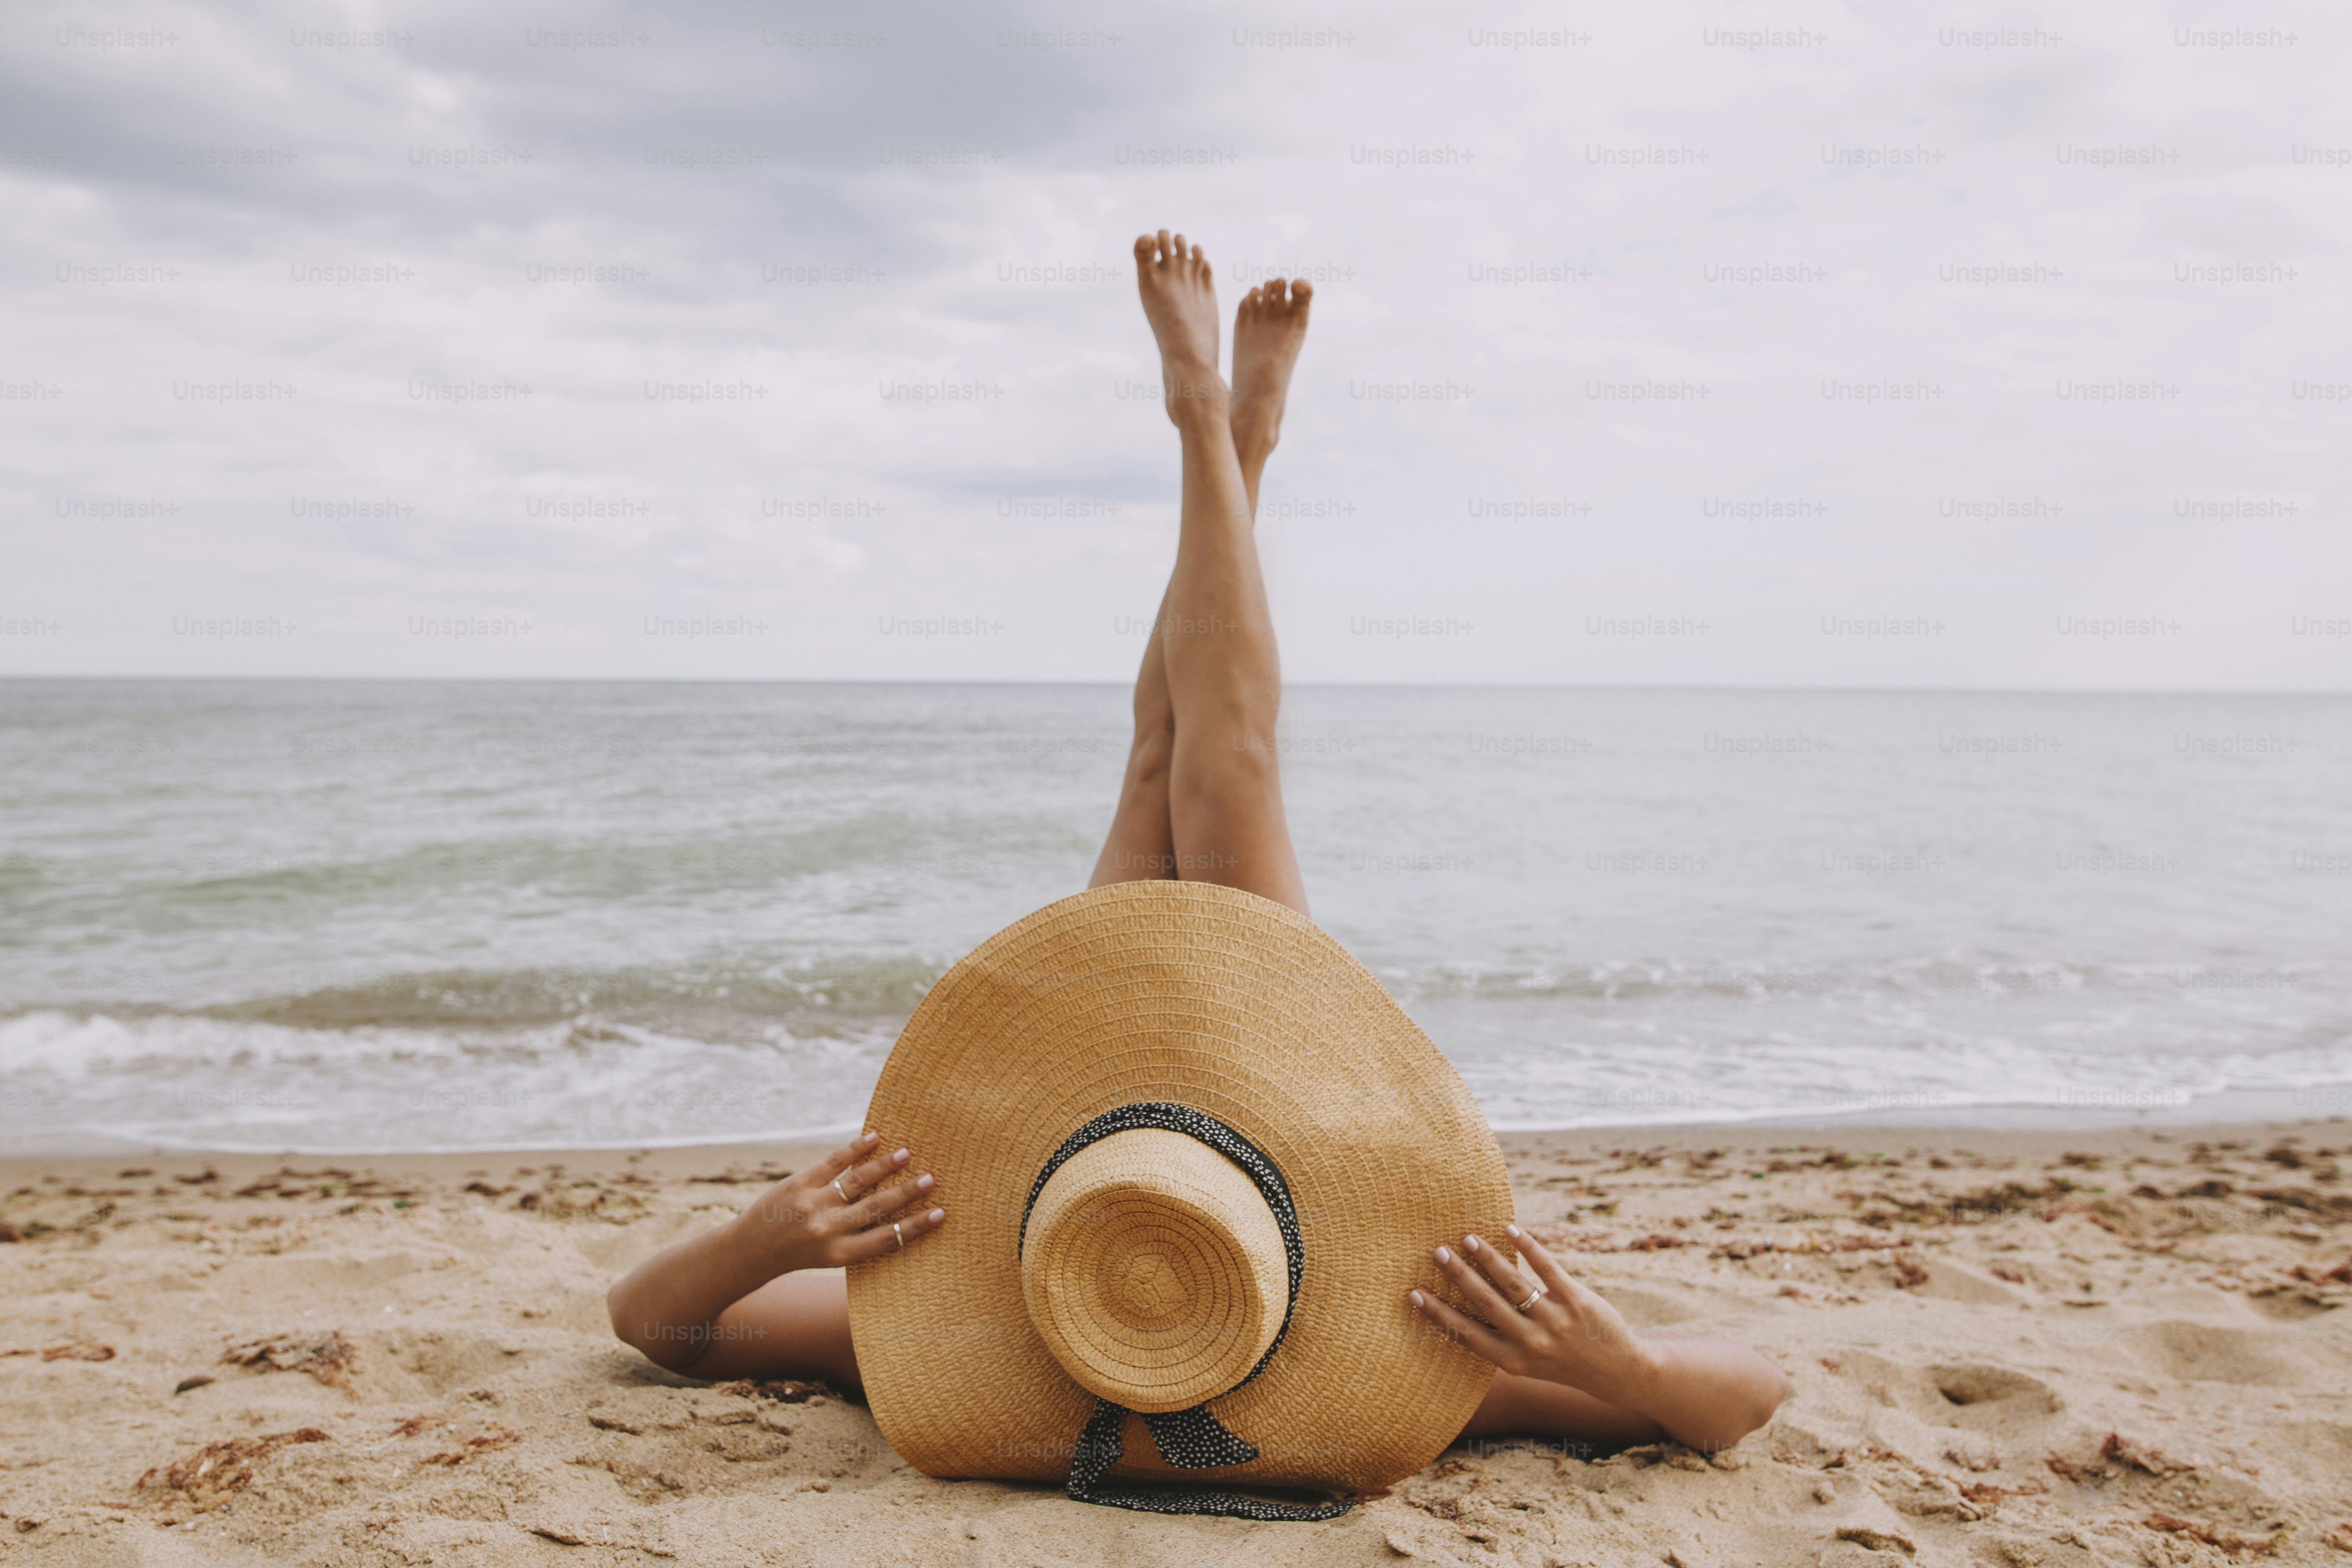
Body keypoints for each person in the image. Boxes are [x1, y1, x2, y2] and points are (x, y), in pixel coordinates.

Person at [607, 231, 1788, 1464]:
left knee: (1155, 766)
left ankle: (1212, 425)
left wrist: (767, 1237)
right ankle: (1225, 437)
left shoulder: (990, 1329)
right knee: (1229, 765)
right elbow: (1747, 1395)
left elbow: (657, 1325)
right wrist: (1627, 1365)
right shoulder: (1412, 1355)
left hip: (1094, 1100)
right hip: (1261, 1085)